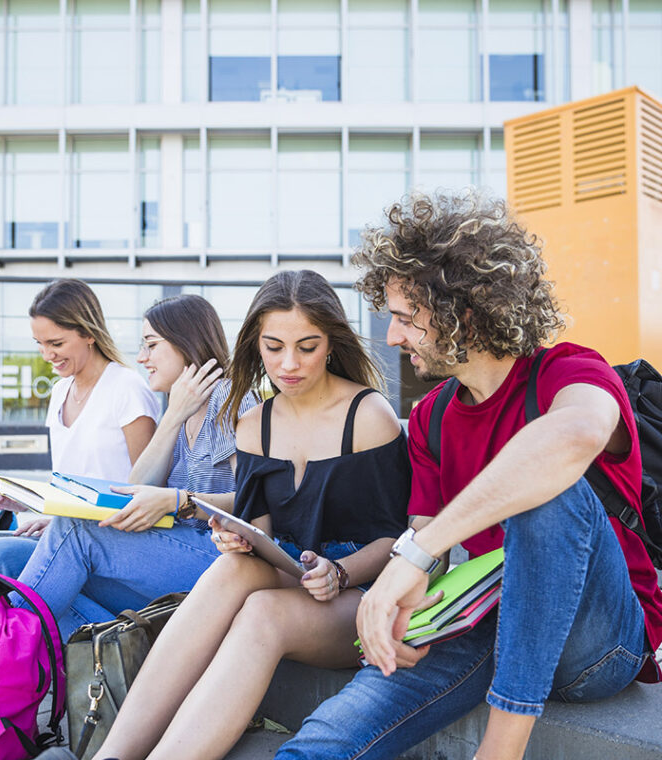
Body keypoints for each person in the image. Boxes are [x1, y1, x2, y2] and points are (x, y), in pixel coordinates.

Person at [274, 192, 662, 760]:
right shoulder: (431, 417)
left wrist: (416, 553)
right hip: (487, 620)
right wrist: (410, 611)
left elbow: (573, 438)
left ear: (465, 316)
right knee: (322, 743)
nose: (392, 338)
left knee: (547, 490)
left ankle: (500, 751)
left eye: (405, 319)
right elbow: (423, 546)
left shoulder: (569, 371)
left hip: (599, 641)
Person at [42, 268, 414, 760]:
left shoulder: (368, 415)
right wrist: (238, 538)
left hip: (363, 595)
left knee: (262, 613)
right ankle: (115, 755)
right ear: (255, 344)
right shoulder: (255, 423)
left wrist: (341, 573)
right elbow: (262, 533)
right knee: (235, 564)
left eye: (307, 346)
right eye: (273, 346)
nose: (289, 364)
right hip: (294, 572)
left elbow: (399, 540)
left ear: (330, 342)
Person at [11, 294, 258, 640]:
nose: (142, 358)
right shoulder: (180, 405)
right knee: (55, 577)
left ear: (186, 344)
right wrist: (173, 416)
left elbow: (254, 501)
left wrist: (180, 499)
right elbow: (138, 483)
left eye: (151, 345)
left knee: (78, 530)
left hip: (221, 557)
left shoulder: (230, 397)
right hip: (183, 550)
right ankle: (105, 662)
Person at [0, 278, 158, 578]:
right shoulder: (60, 392)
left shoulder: (126, 388)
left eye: (56, 343)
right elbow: (72, 481)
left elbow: (146, 490)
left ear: (89, 334)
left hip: (100, 539)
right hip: (57, 529)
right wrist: (28, 501)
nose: (47, 355)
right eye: (39, 344)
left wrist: (63, 524)